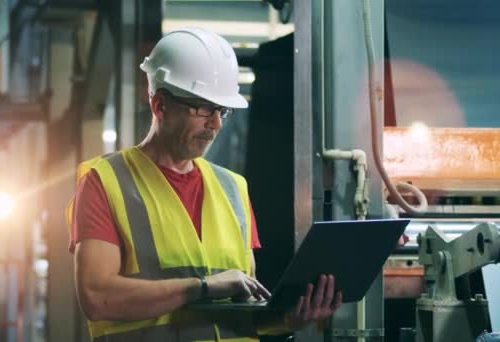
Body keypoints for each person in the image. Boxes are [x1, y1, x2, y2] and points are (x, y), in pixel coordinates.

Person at [67, 27, 342, 342]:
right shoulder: (104, 181)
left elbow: (245, 315)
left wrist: (288, 319)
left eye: (221, 110)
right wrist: (204, 287)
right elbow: (97, 297)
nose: (216, 124)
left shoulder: (233, 188)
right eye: (203, 108)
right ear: (160, 106)